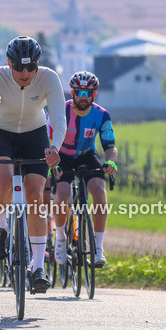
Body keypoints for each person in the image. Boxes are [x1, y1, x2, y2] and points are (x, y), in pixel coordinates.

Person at [0, 35, 66, 292]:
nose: (25, 73)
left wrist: (54, 149)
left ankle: (38, 267)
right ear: (9, 63)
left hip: (35, 134)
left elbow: (59, 121)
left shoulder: (49, 78)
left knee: (36, 195)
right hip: (0, 133)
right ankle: (1, 229)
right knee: (3, 179)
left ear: (38, 64)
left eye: (31, 67)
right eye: (19, 67)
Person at [53, 71, 118, 268]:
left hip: (87, 154)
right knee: (62, 193)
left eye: (86, 93)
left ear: (94, 95)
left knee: (99, 190)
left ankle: (98, 248)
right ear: (72, 93)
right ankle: (61, 237)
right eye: (79, 93)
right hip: (61, 154)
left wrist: (111, 162)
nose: (82, 98)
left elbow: (110, 146)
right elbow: (47, 138)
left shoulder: (101, 114)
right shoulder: (60, 110)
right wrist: (52, 164)